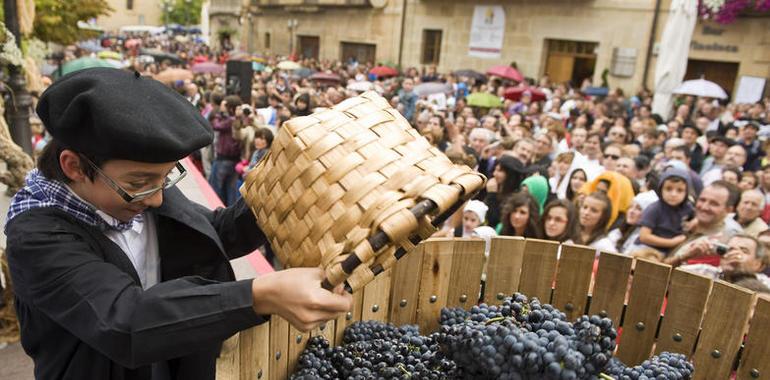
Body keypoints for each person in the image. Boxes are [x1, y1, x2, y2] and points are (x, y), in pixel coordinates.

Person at [5, 69, 353, 379]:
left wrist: (288, 190)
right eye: (139, 182)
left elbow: (215, 233)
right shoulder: (36, 236)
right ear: (74, 167)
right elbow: (125, 319)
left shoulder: (144, 193)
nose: (156, 198)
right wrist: (258, 295)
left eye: (167, 176)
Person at [669, 181, 744, 261]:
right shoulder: (684, 219)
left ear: (728, 210)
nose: (704, 207)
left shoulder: (724, 241)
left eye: (714, 204)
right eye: (702, 200)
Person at [668, 234, 770, 291]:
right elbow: (661, 274)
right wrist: (685, 256)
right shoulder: (703, 272)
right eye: (730, 249)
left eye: (744, 251)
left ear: (758, 264)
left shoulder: (765, 284)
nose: (734, 254)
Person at [637, 168, 694, 255]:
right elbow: (644, 236)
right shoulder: (655, 209)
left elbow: (696, 219)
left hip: (669, 252)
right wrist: (671, 242)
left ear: (686, 193)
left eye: (680, 190)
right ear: (661, 189)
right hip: (646, 249)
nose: (673, 194)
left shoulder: (688, 208)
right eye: (668, 189)